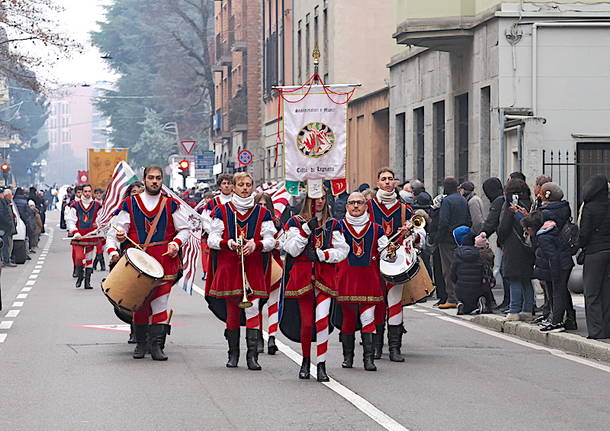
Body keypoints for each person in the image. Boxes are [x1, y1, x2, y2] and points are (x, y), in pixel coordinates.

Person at [106, 166, 191, 361]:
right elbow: (116, 231)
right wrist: (117, 241)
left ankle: (156, 346)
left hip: (163, 259)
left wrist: (176, 244)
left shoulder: (171, 205)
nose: (155, 181)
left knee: (160, 303)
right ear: (144, 180)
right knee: (140, 304)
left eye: (158, 178)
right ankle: (141, 343)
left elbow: (184, 230)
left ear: (163, 180)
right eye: (151, 178)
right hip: (138, 263)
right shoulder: (129, 204)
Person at [206, 172, 276, 371]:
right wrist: (227, 243)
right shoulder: (221, 210)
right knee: (233, 312)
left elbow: (271, 240)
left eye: (248, 184)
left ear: (253, 187)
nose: (245, 188)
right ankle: (233, 354)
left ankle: (252, 356)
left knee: (253, 310)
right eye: (241, 184)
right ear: (234, 188)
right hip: (230, 266)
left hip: (252, 267)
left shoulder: (263, 213)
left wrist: (257, 244)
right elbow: (212, 239)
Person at [281, 193, 348, 381]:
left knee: (321, 321)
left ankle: (321, 364)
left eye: (323, 198)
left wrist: (323, 255)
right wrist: (304, 231)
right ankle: (305, 360)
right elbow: (292, 249)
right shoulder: (295, 222)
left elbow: (343, 250)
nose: (320, 201)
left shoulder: (333, 224)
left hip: (325, 276)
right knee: (307, 323)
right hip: (302, 276)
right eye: (316, 198)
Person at [336, 192, 390, 372]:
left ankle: (368, 358)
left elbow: (385, 252)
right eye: (352, 203)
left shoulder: (377, 229)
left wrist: (392, 250)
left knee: (368, 319)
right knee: (348, 320)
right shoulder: (339, 227)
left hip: (369, 280)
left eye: (360, 203)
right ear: (347, 206)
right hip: (346, 280)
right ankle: (348, 357)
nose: (356, 206)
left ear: (366, 206)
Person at [367, 167, 413, 361]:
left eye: (390, 179)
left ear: (394, 183)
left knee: (394, 303)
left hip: (397, 263)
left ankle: (395, 348)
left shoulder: (405, 209)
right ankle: (376, 347)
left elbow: (419, 234)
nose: (387, 182)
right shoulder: (368, 207)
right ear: (378, 183)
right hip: (374, 261)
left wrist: (411, 233)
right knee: (377, 303)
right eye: (384, 179)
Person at [536, 182, 576, 332]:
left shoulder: (547, 213)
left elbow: (543, 237)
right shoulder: (564, 208)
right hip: (563, 255)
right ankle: (569, 318)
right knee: (561, 289)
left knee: (556, 290)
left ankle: (556, 320)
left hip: (554, 257)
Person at [497, 178, 534, 321]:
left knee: (514, 278)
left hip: (513, 246)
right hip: (527, 245)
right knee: (526, 279)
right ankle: (528, 309)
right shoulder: (530, 203)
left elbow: (504, 227)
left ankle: (514, 310)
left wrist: (500, 239)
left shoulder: (510, 205)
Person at [578, 175, 610, 339]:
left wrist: (579, 246)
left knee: (592, 292)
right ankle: (607, 328)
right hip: (608, 250)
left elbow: (584, 234)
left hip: (594, 253)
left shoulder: (589, 208)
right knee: (606, 291)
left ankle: (596, 331)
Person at [254, 192, 283, 355]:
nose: (263, 208)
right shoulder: (250, 222)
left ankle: (272, 337)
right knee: (256, 304)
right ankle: (258, 337)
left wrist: (278, 243)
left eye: (265, 205)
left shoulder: (277, 223)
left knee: (273, 304)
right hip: (256, 266)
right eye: (260, 205)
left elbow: (284, 242)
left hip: (274, 266)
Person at [437, 177, 472, 309]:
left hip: (447, 239)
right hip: (461, 237)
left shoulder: (447, 201)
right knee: (460, 267)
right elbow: (469, 220)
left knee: (448, 268)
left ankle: (452, 297)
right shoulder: (463, 199)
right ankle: (462, 296)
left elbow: (444, 221)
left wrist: (438, 238)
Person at [66, 184, 103, 289]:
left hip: (91, 236)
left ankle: (87, 282)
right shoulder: (75, 205)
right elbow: (70, 220)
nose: (87, 193)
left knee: (89, 259)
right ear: (81, 192)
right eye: (85, 191)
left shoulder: (97, 205)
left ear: (91, 193)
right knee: (79, 258)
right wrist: (75, 232)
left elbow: (102, 218)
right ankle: (80, 276)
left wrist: (98, 225)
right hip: (78, 236)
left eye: (89, 191)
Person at [451, 226, 494, 315]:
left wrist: (457, 282)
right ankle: (481, 303)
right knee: (481, 293)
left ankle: (461, 303)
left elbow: (452, 274)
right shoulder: (480, 254)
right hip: (478, 287)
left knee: (466, 308)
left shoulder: (457, 254)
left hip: (461, 288)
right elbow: (485, 272)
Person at [199, 174, 233, 280]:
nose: (226, 186)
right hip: (218, 241)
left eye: (229, 183)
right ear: (219, 186)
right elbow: (205, 221)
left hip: (234, 240)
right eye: (224, 183)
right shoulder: (212, 203)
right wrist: (216, 234)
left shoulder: (237, 200)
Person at [0, 189, 16, 267]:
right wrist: (8, 223)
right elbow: (2, 215)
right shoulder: (2, 202)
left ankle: (6, 259)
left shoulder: (6, 203)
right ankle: (6, 261)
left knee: (6, 244)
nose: (11, 197)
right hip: (4, 227)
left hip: (6, 227)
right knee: (5, 244)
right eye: (10, 195)